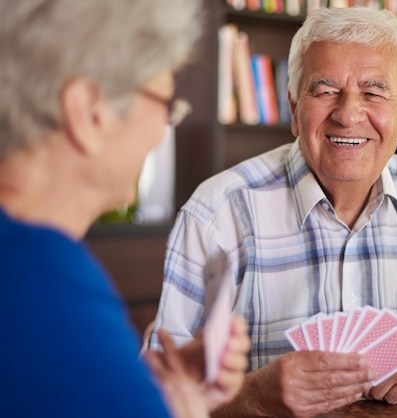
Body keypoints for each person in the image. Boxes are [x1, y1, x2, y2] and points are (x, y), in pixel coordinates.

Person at [149, 6, 397, 417]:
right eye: (325, 90)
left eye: (374, 91)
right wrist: (254, 396)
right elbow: (151, 393)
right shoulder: (217, 213)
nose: (348, 115)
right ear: (294, 109)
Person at [0, 1, 249, 417]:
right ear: (89, 111)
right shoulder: (43, 278)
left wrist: (139, 392)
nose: (162, 130)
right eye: (166, 104)